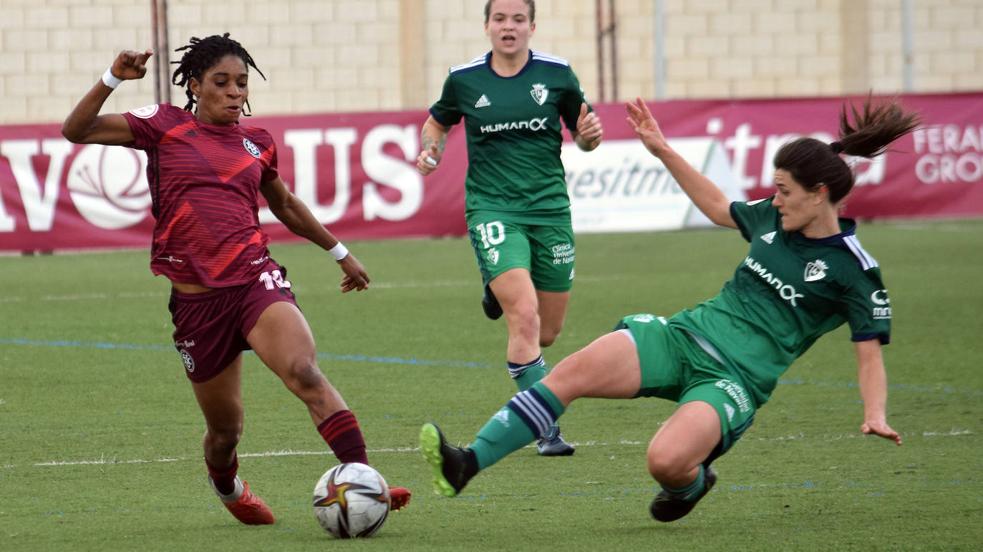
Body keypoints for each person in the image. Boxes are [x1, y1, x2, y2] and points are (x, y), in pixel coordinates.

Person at [420, 95, 917, 522]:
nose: (776, 199)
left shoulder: (855, 271)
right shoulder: (774, 217)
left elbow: (869, 352)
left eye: (785, 190)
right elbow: (720, 207)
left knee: (664, 461)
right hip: (682, 337)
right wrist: (661, 149)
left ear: (821, 194)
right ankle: (467, 464)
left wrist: (874, 412)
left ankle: (691, 485)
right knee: (569, 373)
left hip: (734, 381)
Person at [61, 34, 410, 525]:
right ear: (195, 84)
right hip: (197, 305)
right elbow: (75, 130)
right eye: (221, 82)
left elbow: (284, 205)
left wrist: (339, 251)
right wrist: (113, 77)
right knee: (226, 432)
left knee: (304, 371)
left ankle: (365, 480)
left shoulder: (257, 143)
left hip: (254, 283)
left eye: (241, 83)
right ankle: (227, 485)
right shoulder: (163, 126)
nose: (233, 92)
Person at [415, 0, 603, 456]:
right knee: (524, 314)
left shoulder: (558, 75)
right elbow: (437, 122)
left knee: (547, 333)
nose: (509, 27)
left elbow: (584, 132)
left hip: (550, 211)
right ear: (487, 27)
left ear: (531, 27)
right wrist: (431, 151)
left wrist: (589, 137)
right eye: (500, 19)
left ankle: (494, 284)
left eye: (518, 19)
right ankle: (545, 429)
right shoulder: (464, 79)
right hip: (493, 209)